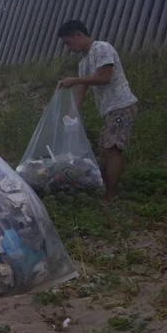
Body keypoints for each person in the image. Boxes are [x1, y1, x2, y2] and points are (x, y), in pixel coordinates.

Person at [56, 20, 139, 201]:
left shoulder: (102, 48)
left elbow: (104, 77)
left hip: (121, 106)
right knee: (105, 149)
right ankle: (102, 189)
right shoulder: (84, 62)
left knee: (113, 149)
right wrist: (70, 116)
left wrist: (76, 80)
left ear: (79, 35)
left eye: (69, 42)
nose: (69, 48)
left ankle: (109, 196)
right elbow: (80, 92)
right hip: (110, 110)